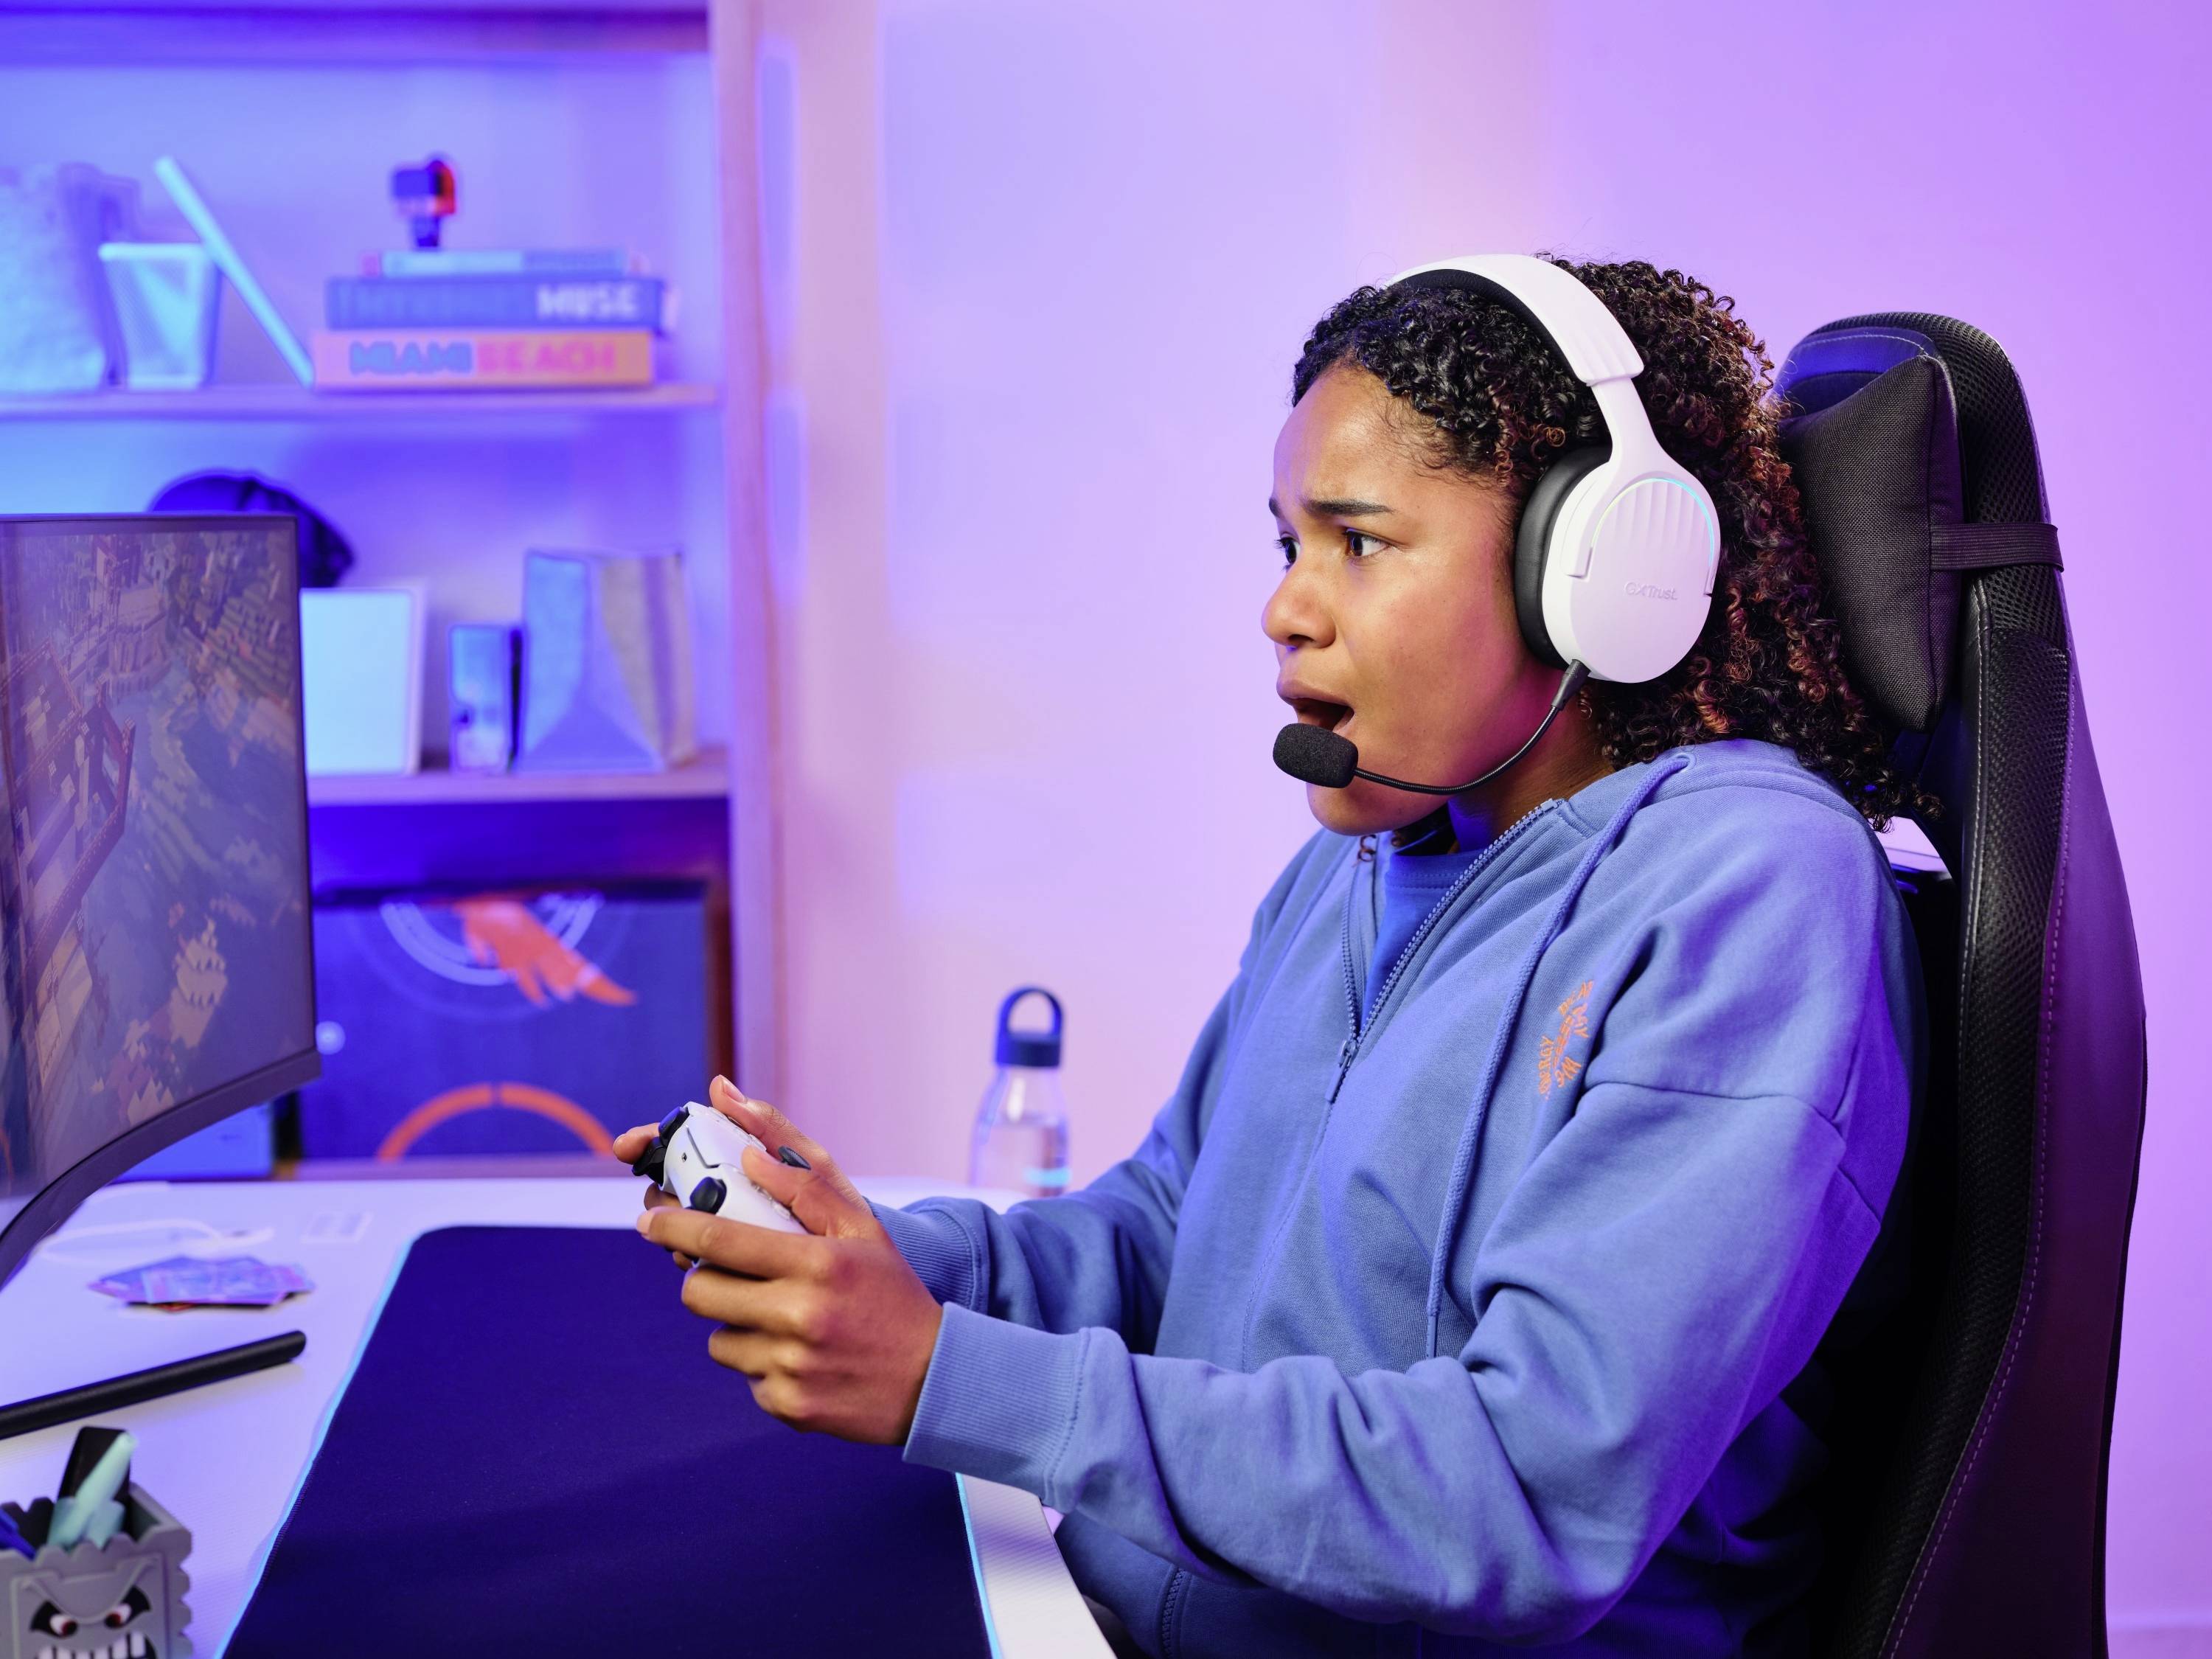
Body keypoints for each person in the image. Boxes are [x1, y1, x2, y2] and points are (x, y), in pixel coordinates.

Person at [619, 256, 1923, 1658]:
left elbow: (1530, 1494)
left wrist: (951, 1376)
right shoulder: (1355, 867)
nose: (1287, 607)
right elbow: (1168, 1230)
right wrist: (884, 1263)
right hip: (1097, 1615)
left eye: (1358, 542)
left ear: (1593, 577)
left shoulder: (1748, 892)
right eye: (1287, 544)